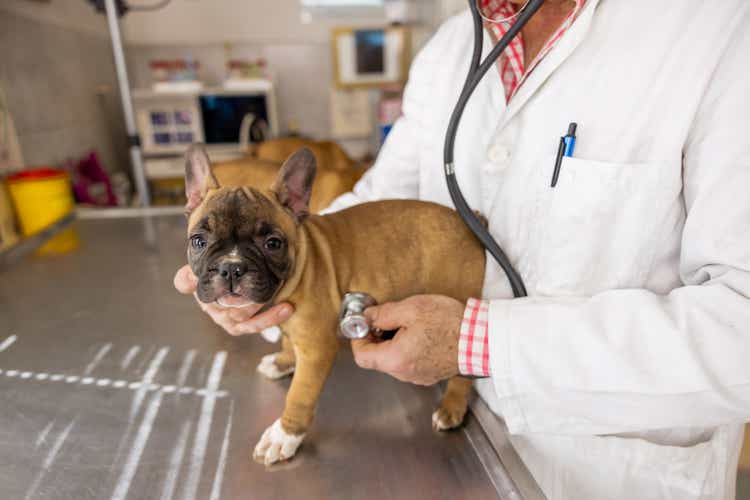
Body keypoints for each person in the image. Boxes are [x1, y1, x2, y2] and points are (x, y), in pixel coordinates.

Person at [174, 1, 750, 498]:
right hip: (450, 452)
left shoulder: (721, 30)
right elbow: (382, 199)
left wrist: (479, 343)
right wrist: (265, 272)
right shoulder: (450, 48)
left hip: (615, 469)